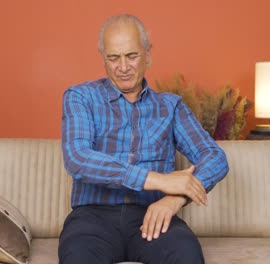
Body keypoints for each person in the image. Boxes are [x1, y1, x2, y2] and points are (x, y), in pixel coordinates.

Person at [59, 14, 229, 264]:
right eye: (113, 58)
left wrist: (175, 199)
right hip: (92, 219)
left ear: (147, 55)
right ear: (103, 59)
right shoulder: (80, 97)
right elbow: (78, 158)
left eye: (132, 56)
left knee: (187, 256)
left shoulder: (171, 107)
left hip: (154, 217)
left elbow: (215, 157)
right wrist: (158, 180)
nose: (123, 66)